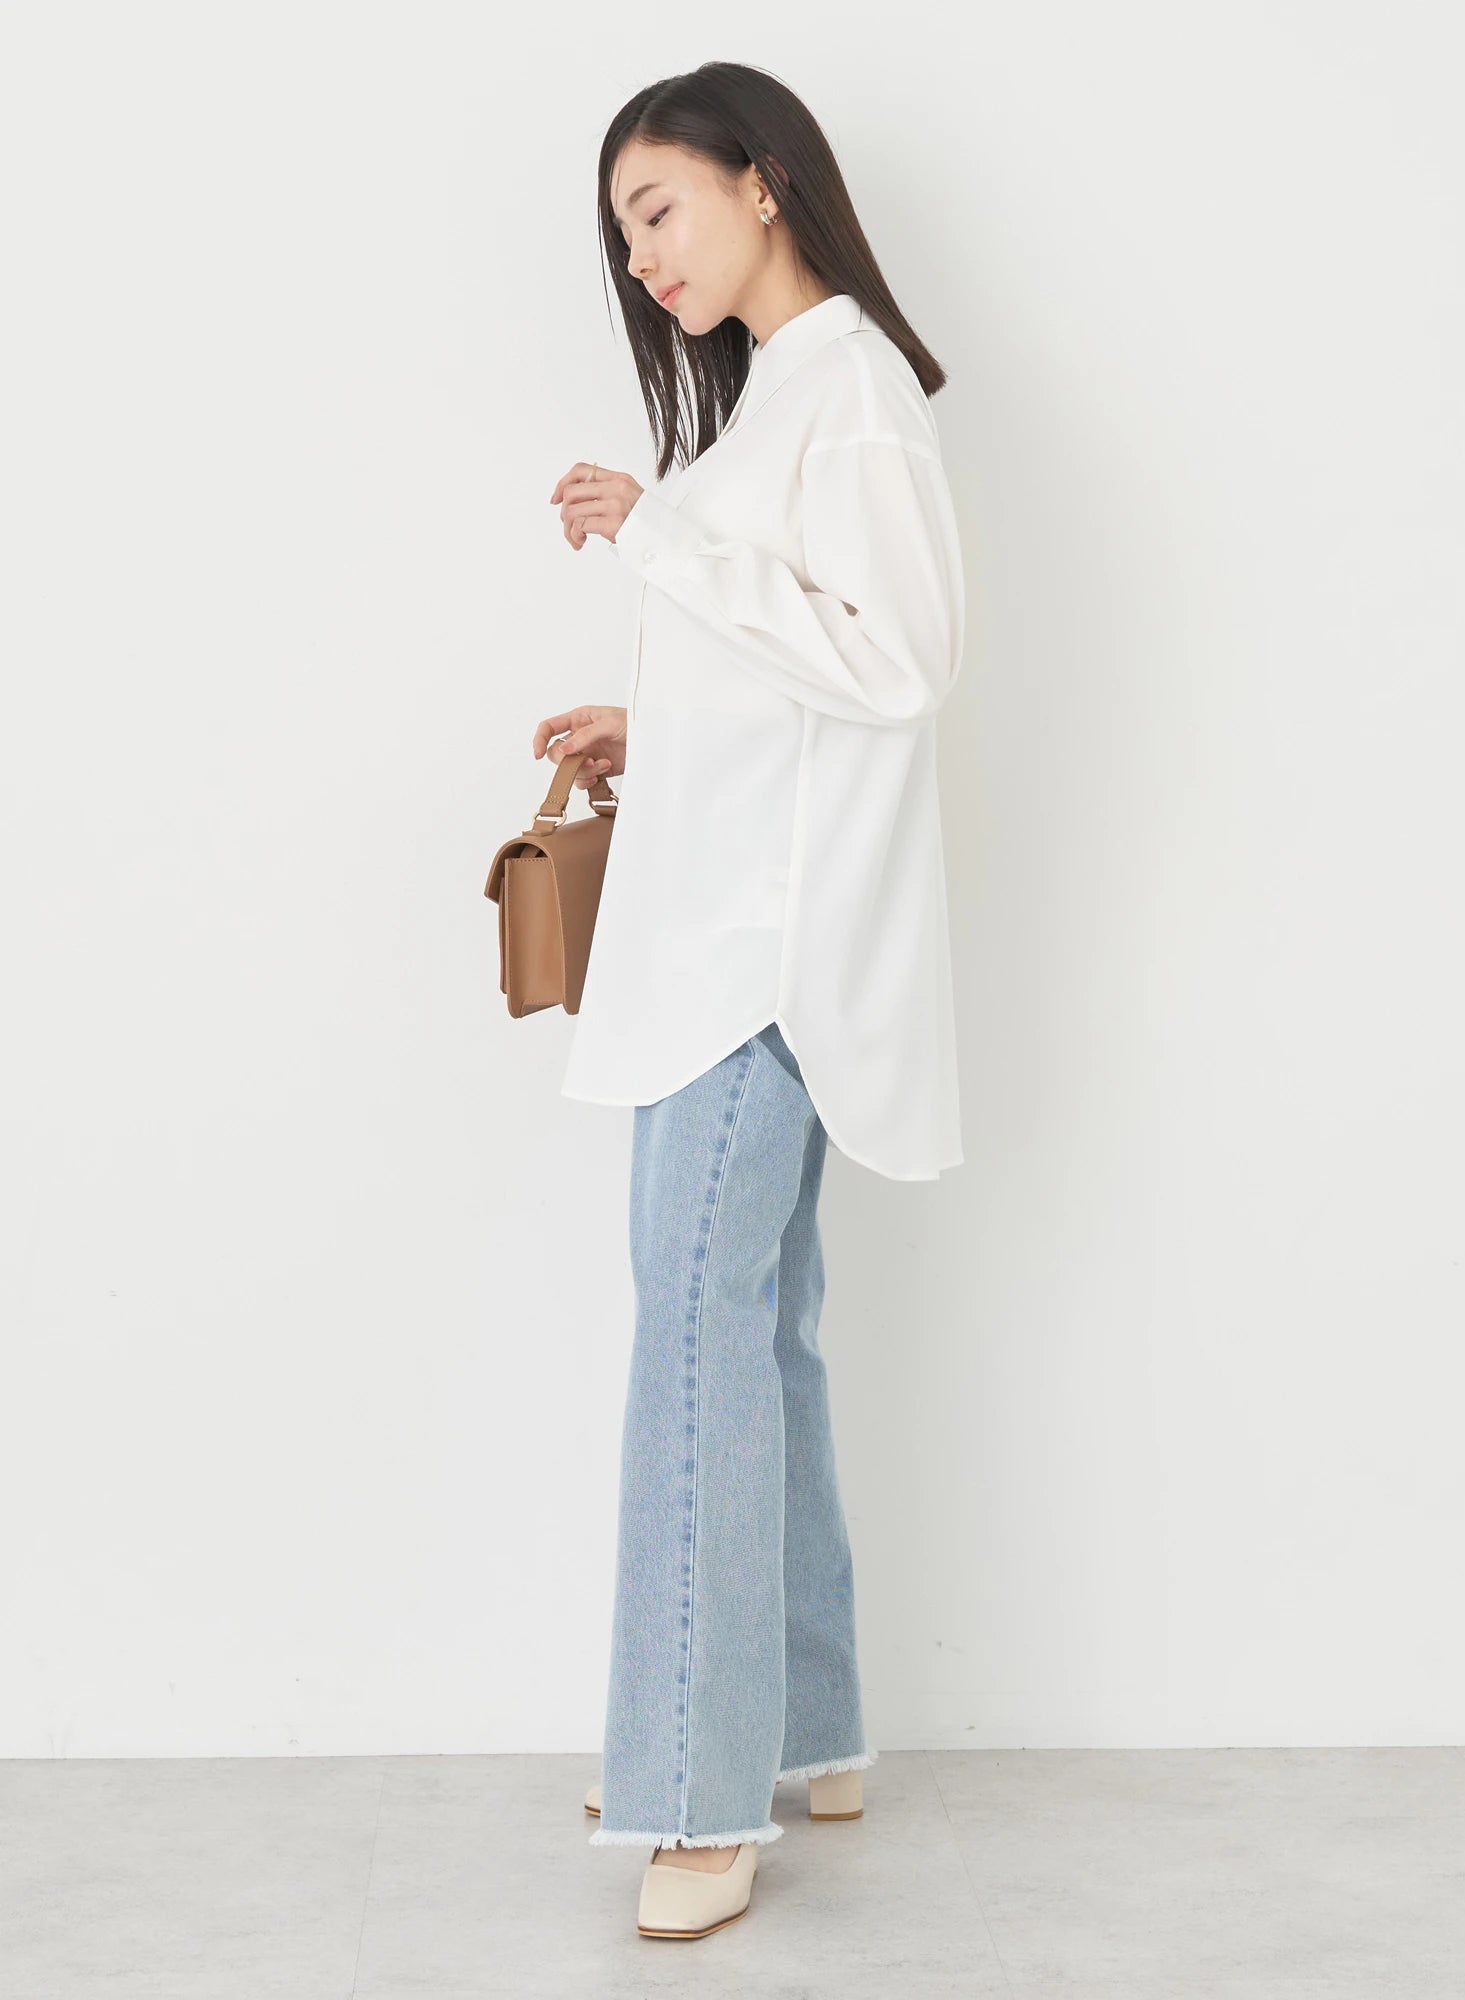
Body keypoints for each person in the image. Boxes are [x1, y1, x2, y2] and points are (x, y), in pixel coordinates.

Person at [535, 60, 966, 1942]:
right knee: (755, 1336)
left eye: (660, 209)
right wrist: (663, 721)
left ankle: (700, 1790)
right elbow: (802, 667)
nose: (643, 260)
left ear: (764, 181)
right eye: (622, 235)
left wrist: (657, 536)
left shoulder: (846, 389)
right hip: (729, 939)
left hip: (753, 964)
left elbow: (903, 661)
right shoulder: (789, 397)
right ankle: (803, 1727)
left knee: (699, 1343)